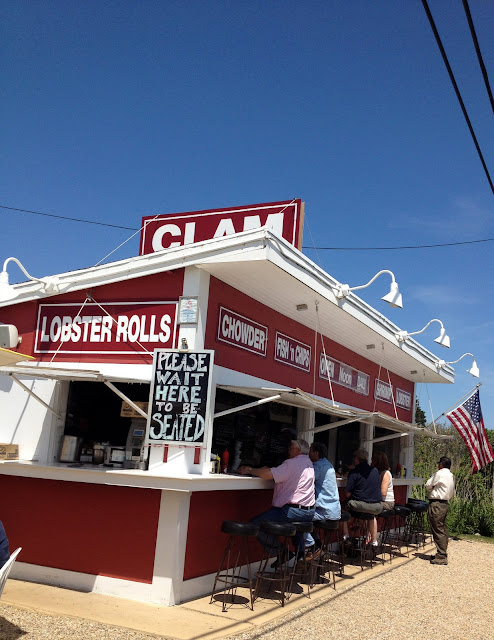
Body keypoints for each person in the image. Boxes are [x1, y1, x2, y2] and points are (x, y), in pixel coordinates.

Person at [238, 439, 315, 556]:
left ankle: (282, 553)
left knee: (256, 525)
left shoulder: (291, 463)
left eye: (290, 448)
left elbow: (269, 475)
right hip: (309, 513)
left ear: (297, 450)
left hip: (292, 512)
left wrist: (250, 470)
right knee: (296, 526)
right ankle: (300, 556)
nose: (288, 451)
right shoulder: (309, 463)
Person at [304, 442, 341, 560]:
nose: (308, 453)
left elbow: (303, 480)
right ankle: (318, 546)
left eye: (310, 451)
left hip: (324, 512)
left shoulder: (317, 467)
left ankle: (314, 548)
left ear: (316, 453)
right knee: (308, 520)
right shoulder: (328, 464)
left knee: (299, 518)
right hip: (334, 512)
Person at [342, 448, 383, 545]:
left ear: (356, 459)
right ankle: (374, 541)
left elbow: (347, 494)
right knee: (370, 516)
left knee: (341, 508)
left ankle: (346, 536)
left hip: (360, 506)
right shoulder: (374, 470)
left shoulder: (354, 472)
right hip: (377, 507)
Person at [425, 456, 455, 565]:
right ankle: (441, 552)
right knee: (442, 528)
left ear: (441, 465)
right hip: (445, 503)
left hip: (437, 503)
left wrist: (432, 488)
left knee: (437, 529)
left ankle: (441, 555)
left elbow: (428, 485)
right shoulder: (450, 475)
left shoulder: (439, 473)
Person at [369, 450, 395, 546]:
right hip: (379, 500)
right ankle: (369, 536)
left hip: (387, 502)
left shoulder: (385, 473)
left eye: (373, 460)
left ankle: (373, 539)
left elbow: (383, 492)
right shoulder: (376, 472)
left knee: (370, 510)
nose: (371, 462)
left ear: (378, 461)